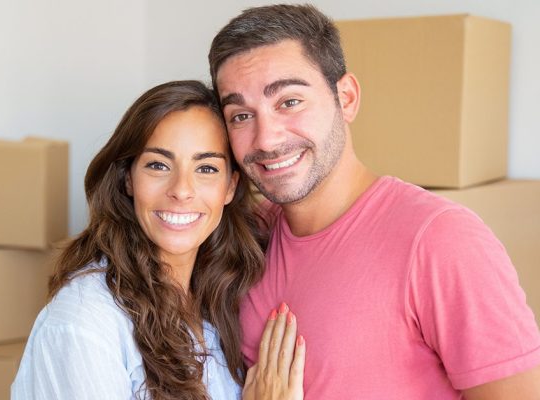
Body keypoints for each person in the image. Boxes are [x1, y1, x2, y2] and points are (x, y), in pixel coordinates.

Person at [208, 4, 540, 399]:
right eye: (241, 116)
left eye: (289, 102)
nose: (266, 139)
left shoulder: (440, 240)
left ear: (346, 98)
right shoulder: (249, 234)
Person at [11, 80, 305, 400]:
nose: (181, 189)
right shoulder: (85, 320)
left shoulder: (218, 302)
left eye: (206, 168)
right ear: (128, 179)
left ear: (230, 187)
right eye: (158, 165)